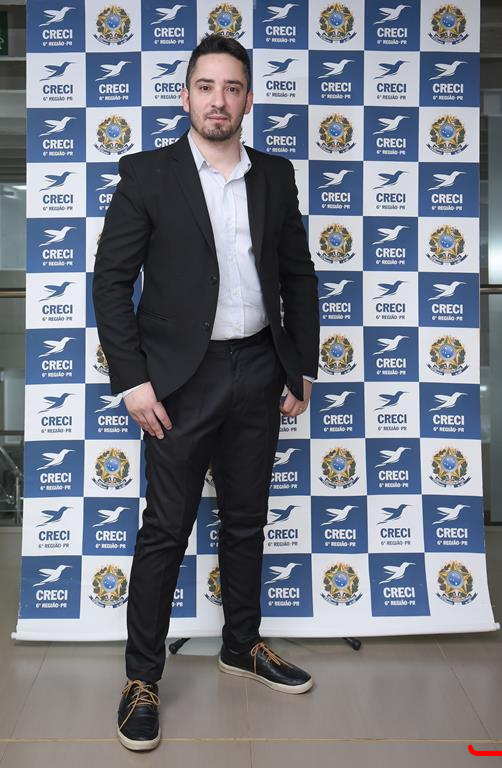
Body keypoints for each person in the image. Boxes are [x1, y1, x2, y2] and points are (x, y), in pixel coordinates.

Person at [93, 33, 320, 752]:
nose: (218, 100)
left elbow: (298, 275)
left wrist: (300, 365)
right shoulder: (147, 174)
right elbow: (110, 282)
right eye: (205, 86)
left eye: (232, 87)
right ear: (185, 95)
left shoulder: (275, 176)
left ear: (247, 100)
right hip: (179, 382)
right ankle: (141, 679)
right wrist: (132, 381)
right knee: (166, 529)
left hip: (259, 369)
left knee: (246, 522)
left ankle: (241, 645)